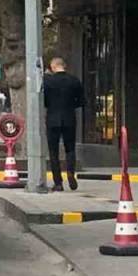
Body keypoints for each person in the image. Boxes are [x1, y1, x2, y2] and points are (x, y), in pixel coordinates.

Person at [42, 57, 84, 191]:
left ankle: (58, 182)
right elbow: (82, 101)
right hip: (69, 118)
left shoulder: (47, 81)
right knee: (70, 148)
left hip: (52, 119)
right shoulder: (74, 80)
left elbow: (44, 101)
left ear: (53, 67)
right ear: (64, 66)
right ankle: (70, 172)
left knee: (53, 151)